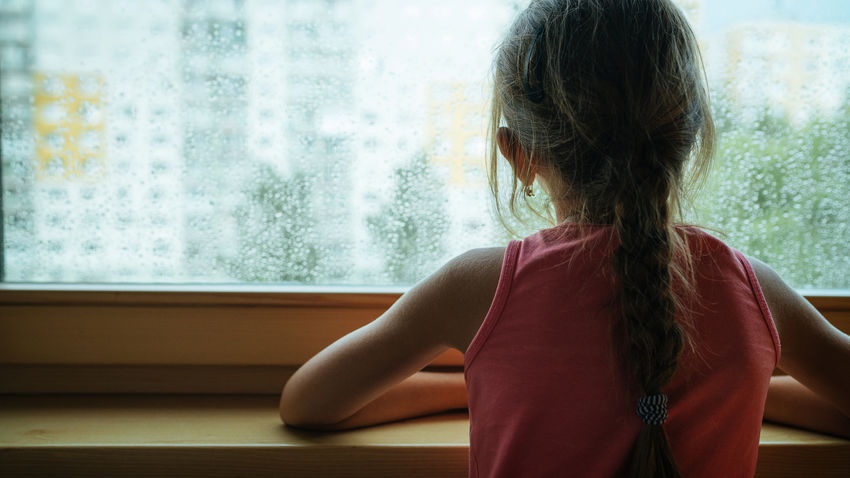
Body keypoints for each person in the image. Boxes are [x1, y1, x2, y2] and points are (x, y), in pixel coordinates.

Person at [279, 0, 850, 476]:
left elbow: (310, 402)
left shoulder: (478, 288)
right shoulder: (755, 294)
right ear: (689, 134)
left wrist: (476, 385)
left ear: (518, 154)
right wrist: (737, 390)